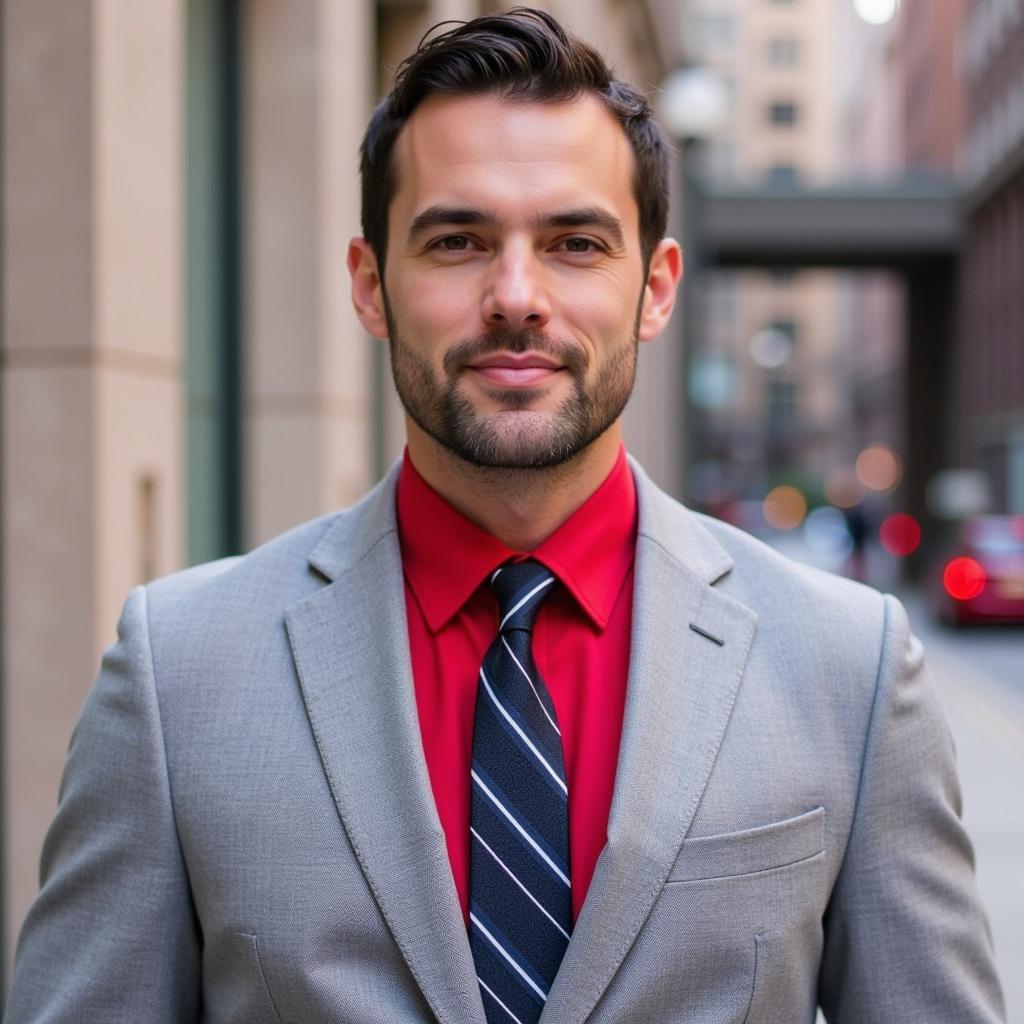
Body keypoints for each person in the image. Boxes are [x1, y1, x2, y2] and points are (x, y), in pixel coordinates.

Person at [5, 9, 1006, 1024]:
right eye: (456, 241)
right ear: (370, 284)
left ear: (654, 289)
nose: (516, 296)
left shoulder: (850, 671)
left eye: (575, 242)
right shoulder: (177, 676)